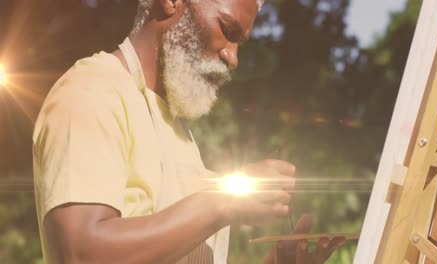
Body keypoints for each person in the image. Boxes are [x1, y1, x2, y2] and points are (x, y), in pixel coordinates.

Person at [32, 0, 344, 263]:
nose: (232, 58)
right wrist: (222, 203)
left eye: (239, 43)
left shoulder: (178, 131)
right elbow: (80, 253)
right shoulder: (93, 87)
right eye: (227, 29)